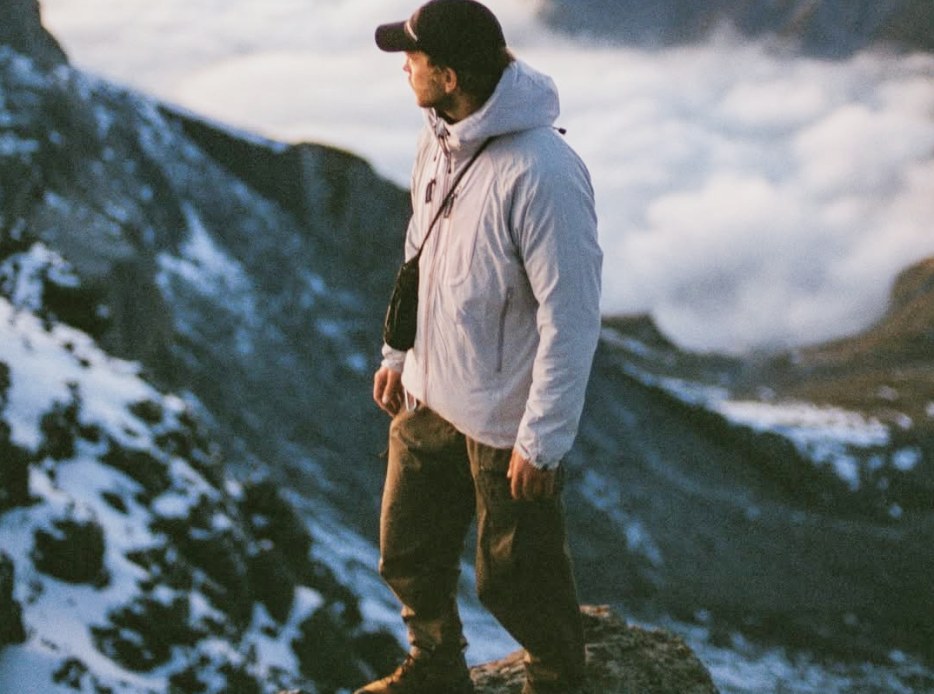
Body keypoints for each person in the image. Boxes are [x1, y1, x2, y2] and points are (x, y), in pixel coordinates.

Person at [362, 1, 602, 692]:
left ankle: (557, 678)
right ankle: (435, 664)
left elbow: (572, 314)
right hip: (430, 394)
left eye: (413, 57)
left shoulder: (543, 172)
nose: (404, 67)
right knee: (407, 550)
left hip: (504, 419)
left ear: (449, 74)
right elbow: (421, 251)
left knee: (517, 578)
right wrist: (398, 355)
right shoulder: (438, 139)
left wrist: (543, 439)